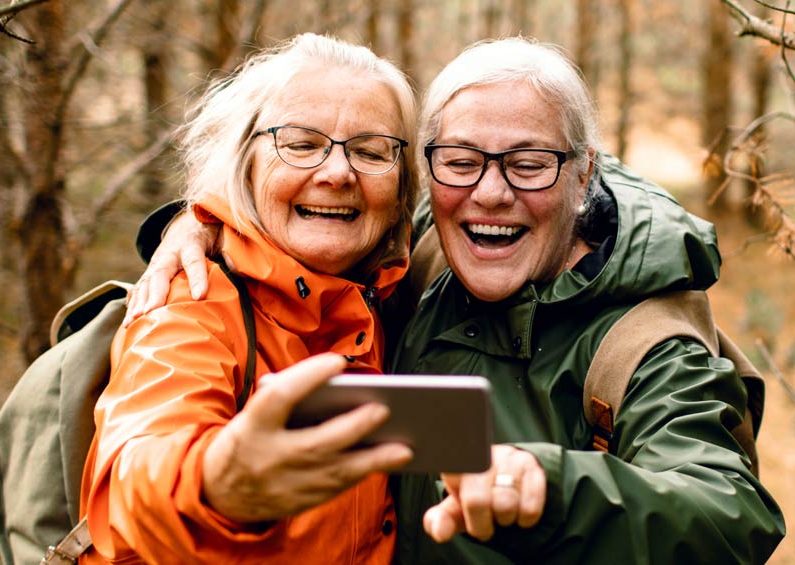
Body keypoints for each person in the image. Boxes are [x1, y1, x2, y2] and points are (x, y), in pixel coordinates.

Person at [128, 37, 785, 562]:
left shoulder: (643, 342)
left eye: (528, 163)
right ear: (429, 171)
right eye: (462, 160)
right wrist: (201, 220)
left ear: (585, 171)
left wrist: (552, 490)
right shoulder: (415, 263)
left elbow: (730, 512)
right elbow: (308, 219)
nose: (490, 193)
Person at [79, 33, 420, 564]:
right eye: (302, 144)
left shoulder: (396, 295)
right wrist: (219, 485)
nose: (337, 173)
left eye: (370, 151)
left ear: (402, 187)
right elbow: (135, 473)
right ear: (246, 163)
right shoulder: (192, 301)